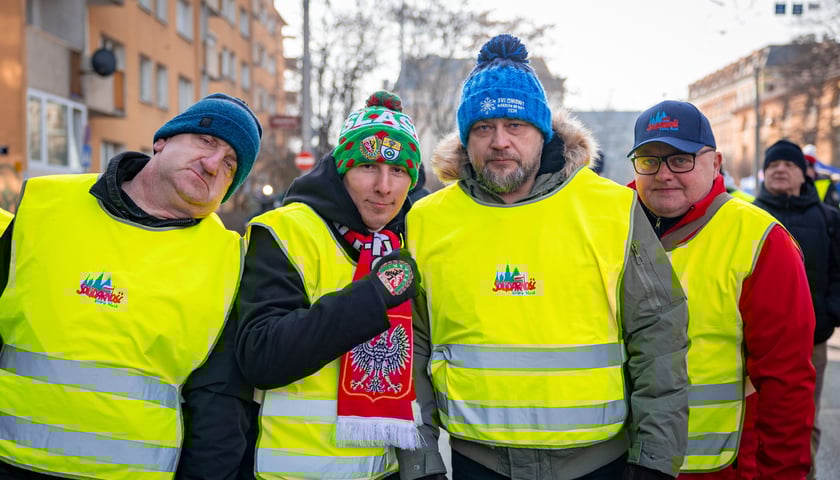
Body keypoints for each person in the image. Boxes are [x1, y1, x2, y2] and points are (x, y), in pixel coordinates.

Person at [405, 34, 689, 480]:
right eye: (483, 128)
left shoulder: (611, 208)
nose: (500, 141)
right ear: (466, 137)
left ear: (542, 132)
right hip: (478, 464)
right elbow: (412, 345)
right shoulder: (427, 220)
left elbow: (659, 339)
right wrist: (420, 461)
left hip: (597, 464)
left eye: (515, 125)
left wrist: (654, 462)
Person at [0, 93, 262, 479]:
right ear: (163, 140)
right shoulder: (45, 204)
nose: (211, 164)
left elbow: (219, 407)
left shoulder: (228, 259)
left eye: (229, 165)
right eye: (207, 141)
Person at [236, 91, 435, 480]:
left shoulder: (411, 242)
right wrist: (374, 296)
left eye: (398, 172)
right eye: (367, 166)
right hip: (289, 473)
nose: (384, 187)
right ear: (341, 170)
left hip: (384, 473)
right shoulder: (287, 230)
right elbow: (261, 357)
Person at [627, 101, 816, 479]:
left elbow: (787, 382)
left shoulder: (759, 239)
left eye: (681, 159)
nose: (664, 174)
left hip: (718, 467)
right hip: (619, 465)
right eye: (650, 160)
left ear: (715, 162)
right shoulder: (608, 227)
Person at [752, 139, 839, 480]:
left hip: (811, 340)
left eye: (788, 165)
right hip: (753, 340)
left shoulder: (828, 218)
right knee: (755, 419)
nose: (780, 170)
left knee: (802, 419)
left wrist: (829, 315)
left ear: (804, 174)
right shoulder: (747, 214)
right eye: (773, 165)